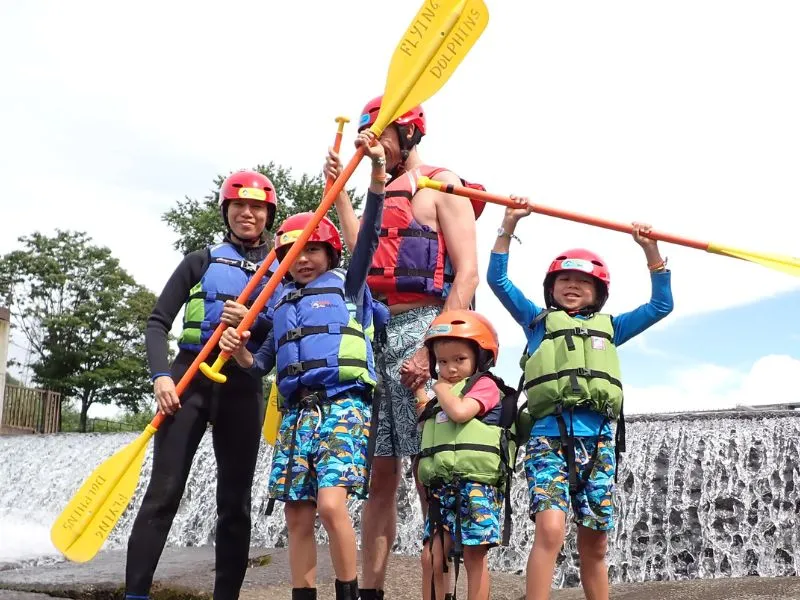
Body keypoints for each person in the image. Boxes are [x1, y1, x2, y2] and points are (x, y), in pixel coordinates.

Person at [219, 131, 389, 600]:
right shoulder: (281, 309)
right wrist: (239, 352)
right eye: (294, 254)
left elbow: (370, 232)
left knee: (332, 505)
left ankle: (349, 593)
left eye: (313, 250)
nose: (304, 261)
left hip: (343, 406)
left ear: (330, 253)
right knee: (297, 513)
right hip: (297, 415)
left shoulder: (349, 285)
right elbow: (259, 368)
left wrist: (375, 174)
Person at [324, 96, 482, 600]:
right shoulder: (379, 188)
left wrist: (431, 351)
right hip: (375, 331)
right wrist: (339, 194)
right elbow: (363, 255)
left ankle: (439, 592)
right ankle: (371, 592)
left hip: (426, 328)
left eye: (381, 136)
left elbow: (468, 274)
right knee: (381, 474)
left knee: (427, 471)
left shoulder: (443, 186)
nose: (372, 145)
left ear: (408, 133)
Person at [487, 197, 674, 600]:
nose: (573, 286)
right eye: (564, 280)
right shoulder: (536, 323)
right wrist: (508, 225)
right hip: (547, 440)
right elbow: (498, 282)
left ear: (598, 292)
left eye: (584, 282)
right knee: (551, 530)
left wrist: (650, 251)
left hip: (600, 443)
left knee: (596, 543)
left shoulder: (613, 327)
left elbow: (662, 305)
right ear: (551, 289)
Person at [125, 170, 282, 600]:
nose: (247, 213)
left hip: (242, 387)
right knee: (164, 492)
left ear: (268, 213)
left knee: (235, 504)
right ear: (226, 210)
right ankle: (135, 594)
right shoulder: (201, 260)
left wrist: (250, 332)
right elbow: (158, 322)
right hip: (188, 380)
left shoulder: (282, 269)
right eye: (239, 205)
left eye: (257, 207)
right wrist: (161, 377)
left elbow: (280, 338)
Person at [415, 310, 518, 600]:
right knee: (431, 556)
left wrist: (437, 387)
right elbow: (428, 419)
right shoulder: (443, 395)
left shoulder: (484, 386)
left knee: (475, 556)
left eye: (459, 360)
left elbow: (460, 412)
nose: (450, 369)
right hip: (442, 486)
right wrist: (421, 394)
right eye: (443, 362)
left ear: (479, 358)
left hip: (476, 486)